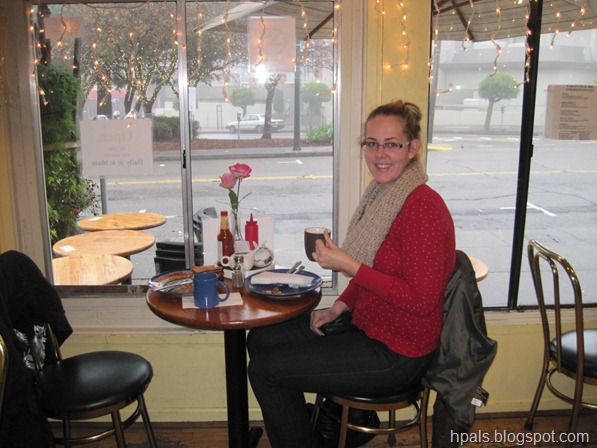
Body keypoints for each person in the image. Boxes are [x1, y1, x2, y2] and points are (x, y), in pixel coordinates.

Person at [247, 100, 456, 448]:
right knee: (261, 340)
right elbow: (375, 270)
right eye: (371, 143)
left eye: (392, 144)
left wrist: (350, 266)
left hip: (398, 352)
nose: (379, 154)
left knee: (265, 370)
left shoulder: (422, 208)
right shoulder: (383, 195)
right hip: (366, 324)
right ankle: (306, 429)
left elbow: (421, 300)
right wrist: (338, 307)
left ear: (412, 149)